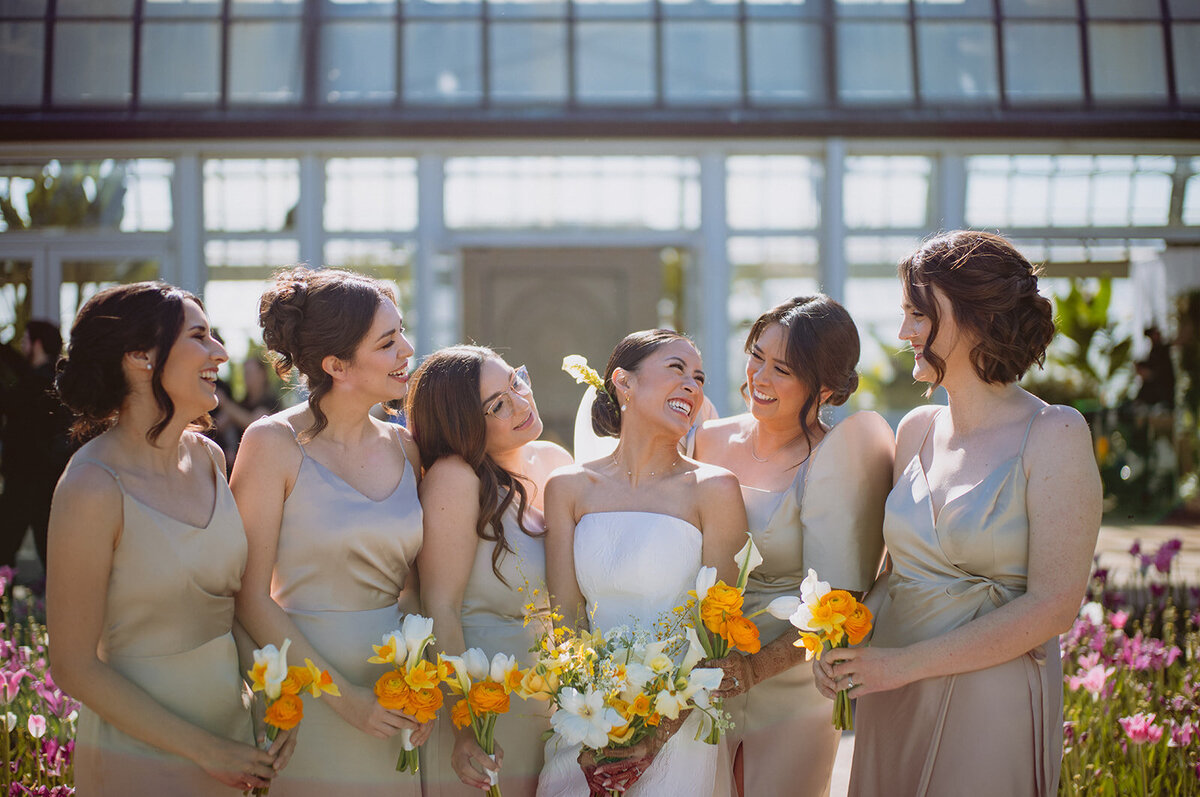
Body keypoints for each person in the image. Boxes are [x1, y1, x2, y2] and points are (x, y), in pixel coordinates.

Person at [816, 231, 1102, 797]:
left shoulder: (1056, 433)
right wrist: (841, 642)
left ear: (976, 319)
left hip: (988, 694)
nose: (903, 334)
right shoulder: (915, 431)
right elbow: (898, 574)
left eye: (918, 315)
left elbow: (1054, 606)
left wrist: (900, 666)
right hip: (889, 693)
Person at [46, 282, 292, 794]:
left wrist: (277, 697)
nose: (220, 352)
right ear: (139, 357)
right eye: (199, 336)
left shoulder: (210, 458)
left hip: (234, 734)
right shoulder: (92, 486)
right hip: (140, 755)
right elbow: (72, 665)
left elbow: (230, 608)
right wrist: (206, 751)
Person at [231, 266, 430, 796]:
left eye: (402, 332)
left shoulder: (406, 447)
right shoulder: (271, 444)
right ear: (336, 364)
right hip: (307, 697)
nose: (408, 349)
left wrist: (418, 686)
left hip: (395, 702)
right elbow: (249, 597)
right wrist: (347, 701)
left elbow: (414, 590)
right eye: (388, 342)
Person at [692, 295, 893, 797]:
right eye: (756, 355)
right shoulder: (706, 440)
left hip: (790, 677)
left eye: (781, 369)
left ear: (824, 387)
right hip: (702, 673)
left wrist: (755, 668)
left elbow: (842, 601)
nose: (758, 377)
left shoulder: (838, 461)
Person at [538, 329, 747, 797]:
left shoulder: (714, 489)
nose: (692, 386)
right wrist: (595, 712)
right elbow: (566, 621)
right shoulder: (568, 488)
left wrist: (656, 730)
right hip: (589, 719)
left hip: (681, 721)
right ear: (623, 383)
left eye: (699, 377)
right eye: (676, 369)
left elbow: (717, 632)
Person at [408, 345, 572, 796]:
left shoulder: (555, 460)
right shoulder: (454, 479)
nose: (521, 402)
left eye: (516, 381)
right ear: (464, 423)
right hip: (487, 705)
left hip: (557, 702)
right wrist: (466, 721)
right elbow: (439, 605)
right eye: (498, 404)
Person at [0, 319, 73, 569]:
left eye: (26, 340)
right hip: (49, 483)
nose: (22, 344)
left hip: (25, 482)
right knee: (53, 556)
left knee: (5, 552)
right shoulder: (58, 382)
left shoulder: (32, 387)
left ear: (37, 344)